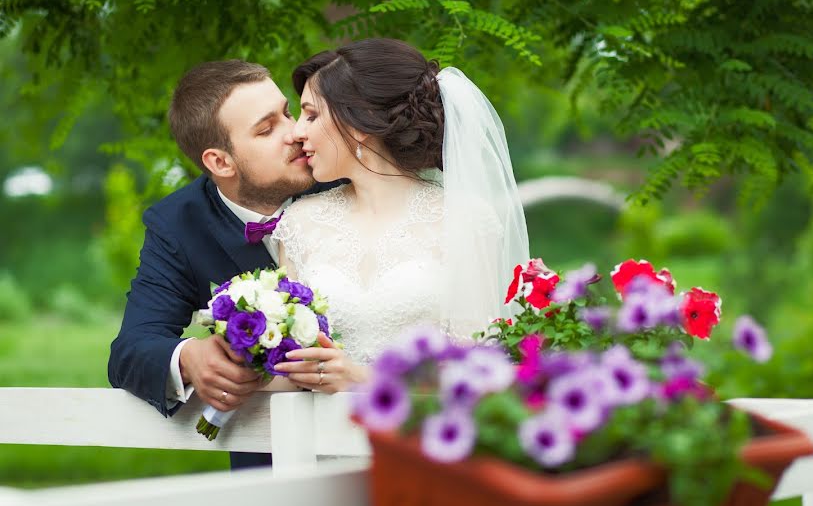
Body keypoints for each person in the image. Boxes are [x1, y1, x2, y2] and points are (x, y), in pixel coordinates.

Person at [107, 60, 340, 469]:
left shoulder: (344, 173)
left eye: (287, 113)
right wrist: (189, 359)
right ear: (220, 163)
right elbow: (130, 350)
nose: (296, 132)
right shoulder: (178, 224)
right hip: (266, 472)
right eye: (267, 129)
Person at [269, 38, 530, 391]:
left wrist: (361, 378)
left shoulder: (466, 219)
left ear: (358, 122)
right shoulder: (300, 223)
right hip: (317, 438)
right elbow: (289, 366)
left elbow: (479, 366)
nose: (298, 132)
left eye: (312, 115)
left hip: (422, 436)